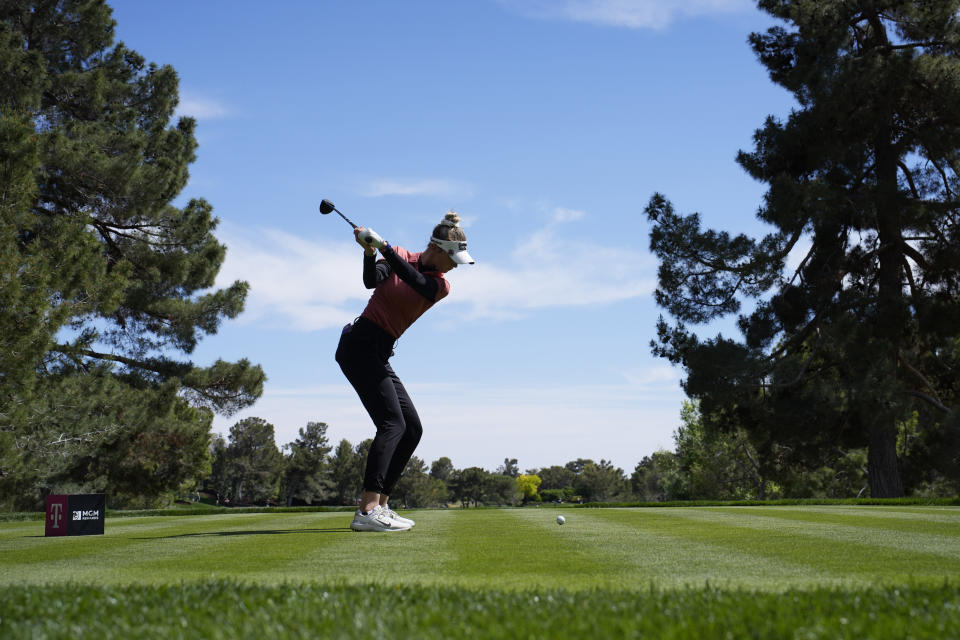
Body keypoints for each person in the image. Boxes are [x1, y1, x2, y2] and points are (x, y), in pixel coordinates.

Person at [336, 211, 474, 532]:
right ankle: (367, 510)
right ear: (437, 248)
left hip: (379, 353)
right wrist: (370, 253)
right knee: (392, 424)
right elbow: (372, 280)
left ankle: (382, 504)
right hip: (359, 345)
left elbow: (416, 281)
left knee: (411, 429)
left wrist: (381, 246)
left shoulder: (440, 285)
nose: (455, 265)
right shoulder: (398, 255)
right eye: (453, 258)